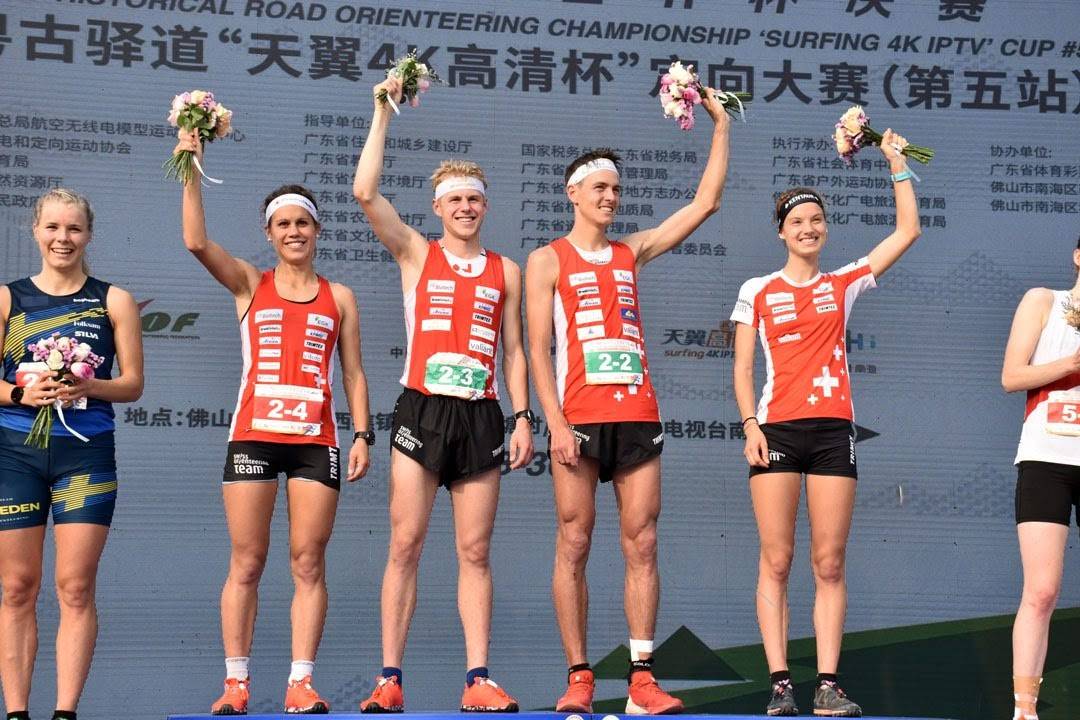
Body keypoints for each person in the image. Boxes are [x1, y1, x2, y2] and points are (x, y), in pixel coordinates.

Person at [524, 90, 730, 715]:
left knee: (642, 542)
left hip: (637, 414)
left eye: (616, 189)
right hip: (578, 420)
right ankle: (580, 678)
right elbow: (536, 349)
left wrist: (719, 124)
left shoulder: (630, 251)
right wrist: (553, 423)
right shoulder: (545, 260)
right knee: (575, 541)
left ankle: (642, 679)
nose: (611, 198)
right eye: (600, 189)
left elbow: (705, 203)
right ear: (573, 195)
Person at [174, 130, 373, 715]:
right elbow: (194, 241)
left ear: (316, 232)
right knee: (248, 561)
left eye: (303, 224)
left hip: (317, 441)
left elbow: (356, 374)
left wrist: (362, 434)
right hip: (254, 437)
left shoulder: (340, 296)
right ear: (269, 234)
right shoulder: (248, 283)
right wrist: (192, 161)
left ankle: (301, 682)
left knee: (308, 561)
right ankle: (236, 683)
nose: (293, 232)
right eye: (283, 224)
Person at [352, 78, 534, 713]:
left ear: (485, 207)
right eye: (455, 199)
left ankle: (478, 678)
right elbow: (365, 192)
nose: (465, 208)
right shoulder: (414, 253)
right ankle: (388, 679)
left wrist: (522, 418)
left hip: (483, 415)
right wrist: (382, 113)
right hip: (421, 410)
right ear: (437, 207)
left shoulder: (505, 270)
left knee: (475, 551)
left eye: (474, 200)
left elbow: (514, 351)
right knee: (405, 543)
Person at [731, 131, 920, 717]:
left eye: (817, 220)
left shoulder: (843, 284)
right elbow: (741, 367)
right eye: (798, 221)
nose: (809, 228)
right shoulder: (756, 290)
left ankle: (828, 684)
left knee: (830, 561)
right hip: (779, 430)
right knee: (777, 559)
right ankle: (781, 684)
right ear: (781, 232)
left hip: (836, 431)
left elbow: (907, 232)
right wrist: (750, 425)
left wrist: (895, 164)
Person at [0, 189, 144, 720]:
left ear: (89, 234)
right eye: (54, 228)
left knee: (76, 587)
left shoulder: (114, 300)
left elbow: (131, 385)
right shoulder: (7, 299)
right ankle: (16, 714)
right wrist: (20, 394)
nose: (64, 239)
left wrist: (88, 387)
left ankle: (64, 714)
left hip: (84, 456)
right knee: (17, 587)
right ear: (35, 231)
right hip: (14, 454)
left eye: (75, 229)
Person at [1001, 236, 1080, 720]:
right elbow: (1011, 376)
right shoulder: (1044, 301)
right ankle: (1024, 710)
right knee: (1043, 589)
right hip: (1047, 454)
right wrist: (1071, 364)